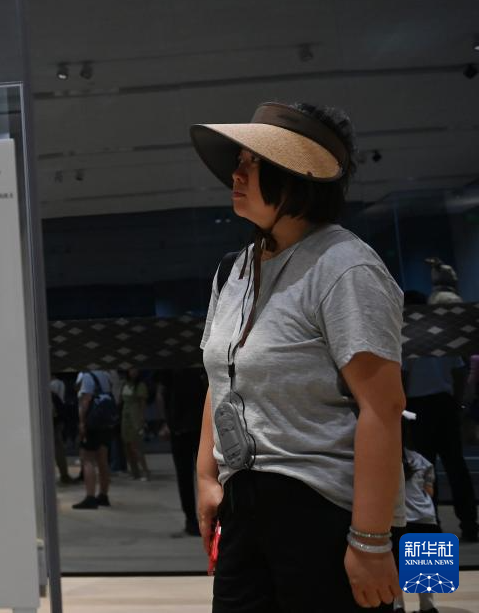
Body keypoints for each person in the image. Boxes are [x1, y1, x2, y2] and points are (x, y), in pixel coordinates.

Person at [191, 102, 406, 611]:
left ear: (297, 177)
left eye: (254, 163)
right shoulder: (234, 270)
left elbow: (382, 408)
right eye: (239, 161)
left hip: (323, 510)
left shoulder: (345, 267)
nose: (237, 174)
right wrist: (206, 478)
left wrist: (371, 541)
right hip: (245, 506)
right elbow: (220, 379)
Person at [402, 291, 477, 542]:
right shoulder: (443, 337)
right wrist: (458, 403)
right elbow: (459, 372)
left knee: (423, 468)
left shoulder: (407, 338)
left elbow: (403, 377)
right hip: (444, 404)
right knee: (456, 466)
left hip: (418, 407)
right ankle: (469, 524)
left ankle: (430, 525)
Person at [392, 416, 441, 613]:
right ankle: (428, 607)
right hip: (426, 518)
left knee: (395, 569)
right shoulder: (421, 460)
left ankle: (398, 607)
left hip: (399, 520)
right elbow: (429, 492)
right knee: (425, 570)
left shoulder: (384, 457)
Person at [156, 367, 208, 537]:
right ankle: (197, 519)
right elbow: (161, 392)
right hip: (189, 426)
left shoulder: (173, 362)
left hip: (188, 426)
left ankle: (196, 520)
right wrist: (165, 422)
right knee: (197, 476)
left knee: (192, 477)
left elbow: (161, 392)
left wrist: (165, 421)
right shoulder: (193, 360)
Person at [72, 369, 116, 509]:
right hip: (106, 422)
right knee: (103, 460)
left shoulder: (87, 376)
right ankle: (103, 495)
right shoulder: (105, 374)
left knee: (87, 459)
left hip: (93, 423)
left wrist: (82, 422)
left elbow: (86, 399)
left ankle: (90, 497)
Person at [120, 368, 150, 481]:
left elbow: (143, 404)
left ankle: (145, 472)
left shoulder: (140, 385)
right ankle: (134, 472)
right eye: (131, 370)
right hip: (125, 416)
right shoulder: (125, 383)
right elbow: (121, 399)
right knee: (127, 446)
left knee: (136, 446)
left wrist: (142, 419)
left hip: (135, 416)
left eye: (136, 370)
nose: (134, 372)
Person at [50, 376, 73, 484]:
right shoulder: (57, 389)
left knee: (56, 449)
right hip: (58, 422)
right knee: (59, 449)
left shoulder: (50, 390)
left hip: (53, 423)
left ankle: (63, 475)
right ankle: (64, 475)